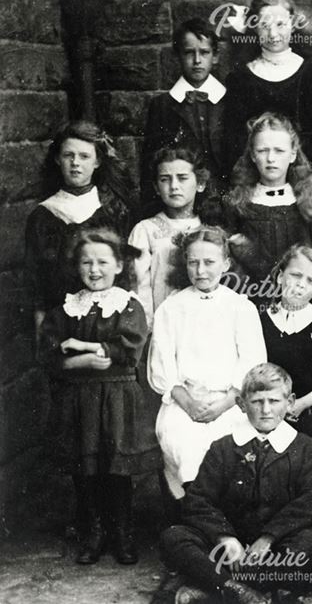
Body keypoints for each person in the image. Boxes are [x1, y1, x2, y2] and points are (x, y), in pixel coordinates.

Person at [39, 228, 157, 564]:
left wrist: (92, 346)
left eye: (103, 262)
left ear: (119, 265)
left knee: (116, 468)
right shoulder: (66, 308)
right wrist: (83, 361)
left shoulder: (127, 305)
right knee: (85, 469)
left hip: (117, 397)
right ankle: (94, 532)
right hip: (78, 400)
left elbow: (130, 349)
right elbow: (49, 355)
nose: (94, 270)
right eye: (86, 262)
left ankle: (122, 533)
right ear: (76, 267)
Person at [160, 363, 312, 604]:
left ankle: (216, 588)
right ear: (242, 404)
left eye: (274, 401)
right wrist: (225, 538)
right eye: (257, 402)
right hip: (229, 550)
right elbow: (198, 500)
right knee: (173, 537)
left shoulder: (306, 448)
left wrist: (268, 538)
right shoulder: (223, 447)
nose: (266, 410)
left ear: (290, 403)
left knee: (308, 542)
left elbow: (309, 502)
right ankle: (239, 590)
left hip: (276, 548)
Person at [148, 226, 267, 500]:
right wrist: (189, 404)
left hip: (231, 403)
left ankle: (228, 524)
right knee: (185, 446)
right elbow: (162, 365)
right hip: (183, 403)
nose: (201, 270)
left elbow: (252, 364)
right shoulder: (171, 308)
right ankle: (198, 520)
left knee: (236, 450)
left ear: (225, 263)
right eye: (193, 262)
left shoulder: (241, 308)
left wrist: (224, 403)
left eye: (209, 262)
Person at [26, 121, 132, 336]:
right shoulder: (43, 215)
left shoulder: (113, 210)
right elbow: (36, 281)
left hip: (105, 320)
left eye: (84, 156)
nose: (75, 163)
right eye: (68, 155)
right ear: (57, 159)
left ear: (97, 162)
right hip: (59, 321)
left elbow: (125, 274)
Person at [223, 0, 312, 176]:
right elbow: (234, 141)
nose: (273, 34)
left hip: (306, 178)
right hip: (255, 177)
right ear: (255, 28)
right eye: (264, 25)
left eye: (280, 24)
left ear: (293, 24)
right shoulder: (240, 79)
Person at [224, 112, 312, 301]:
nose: (271, 158)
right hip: (252, 297)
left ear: (293, 154)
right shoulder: (239, 203)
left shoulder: (307, 202)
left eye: (279, 151)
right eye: (263, 151)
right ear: (253, 155)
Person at [140, 18, 226, 214]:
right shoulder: (162, 106)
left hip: (224, 200)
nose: (197, 61)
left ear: (215, 56)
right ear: (177, 56)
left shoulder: (229, 101)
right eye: (189, 53)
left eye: (204, 53)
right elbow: (150, 166)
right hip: (181, 203)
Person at [129, 145, 218, 327]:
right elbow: (138, 286)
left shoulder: (211, 230)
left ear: (200, 183)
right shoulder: (145, 230)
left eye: (183, 178)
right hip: (162, 325)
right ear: (156, 186)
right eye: (165, 179)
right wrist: (147, 329)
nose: (174, 186)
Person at [259, 245, 312, 439]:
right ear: (280, 277)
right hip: (266, 408)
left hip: (311, 411)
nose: (301, 284)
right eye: (295, 275)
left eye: (311, 281)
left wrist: (300, 404)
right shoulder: (261, 319)